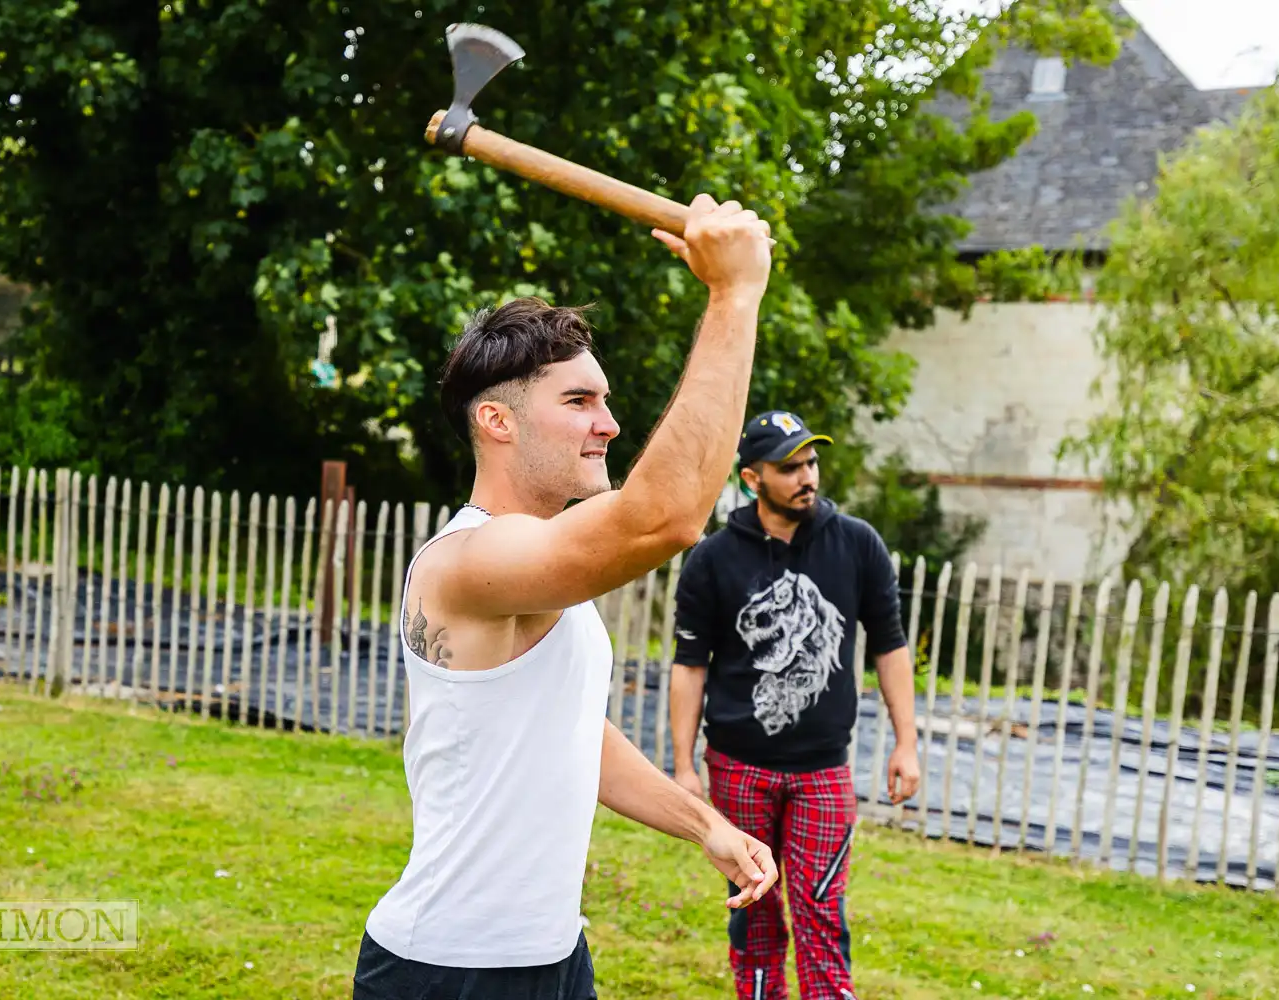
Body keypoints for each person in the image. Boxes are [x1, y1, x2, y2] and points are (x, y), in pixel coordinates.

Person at [353, 193, 782, 1000]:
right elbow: (665, 519)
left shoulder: (543, 566)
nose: (610, 424)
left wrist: (705, 825)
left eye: (606, 400)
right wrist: (733, 296)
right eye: (579, 402)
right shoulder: (469, 560)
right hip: (448, 970)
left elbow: (571, 729)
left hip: (553, 958)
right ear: (497, 421)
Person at [668, 411, 920, 1000]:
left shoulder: (857, 544)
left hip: (822, 771)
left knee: (820, 910)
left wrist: (906, 742)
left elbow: (890, 646)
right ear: (754, 479)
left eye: (811, 461)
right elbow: (690, 664)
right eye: (789, 467)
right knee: (753, 910)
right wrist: (683, 765)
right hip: (737, 768)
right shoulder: (713, 559)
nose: (807, 476)